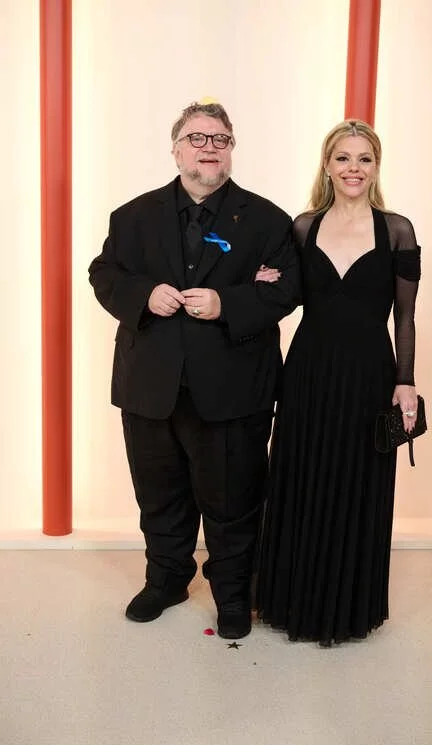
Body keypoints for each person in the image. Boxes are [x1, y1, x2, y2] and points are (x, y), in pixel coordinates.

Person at [88, 101, 300, 639]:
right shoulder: (132, 216)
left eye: (220, 138)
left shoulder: (268, 220)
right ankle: (166, 580)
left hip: (234, 389)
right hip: (149, 387)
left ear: (231, 149)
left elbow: (286, 289)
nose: (209, 147)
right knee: (159, 496)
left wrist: (228, 303)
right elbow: (103, 273)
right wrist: (143, 294)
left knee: (234, 502)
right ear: (176, 149)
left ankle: (233, 594)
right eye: (197, 138)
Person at [255, 119, 421, 646]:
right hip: (308, 371)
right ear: (327, 165)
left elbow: (405, 317)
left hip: (370, 374)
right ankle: (293, 601)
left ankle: (348, 609)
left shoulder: (397, 230)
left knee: (358, 485)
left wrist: (405, 382)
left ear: (376, 167)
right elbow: (285, 295)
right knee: (301, 478)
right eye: (343, 158)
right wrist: (262, 281)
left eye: (364, 158)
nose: (354, 168)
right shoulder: (303, 227)